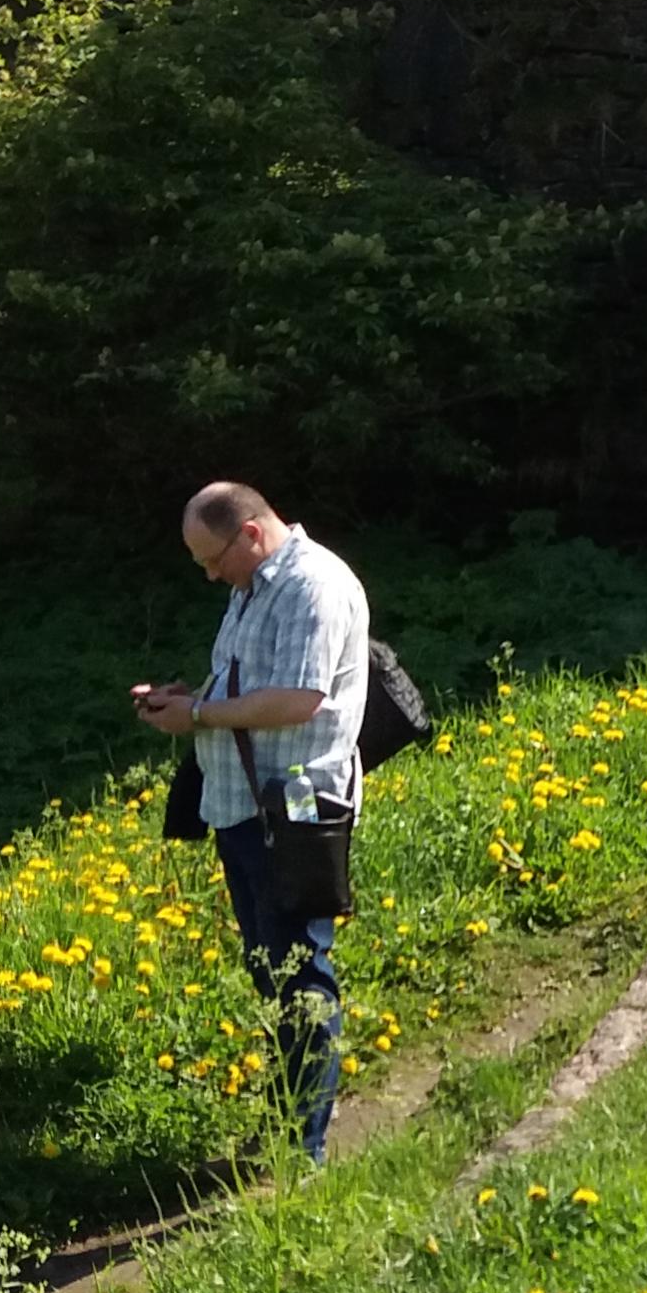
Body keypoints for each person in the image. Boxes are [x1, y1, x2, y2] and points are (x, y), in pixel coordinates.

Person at [133, 481, 371, 1166]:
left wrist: (198, 715)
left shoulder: (312, 586)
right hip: (242, 806)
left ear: (251, 533)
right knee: (271, 969)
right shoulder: (253, 586)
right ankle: (287, 1126)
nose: (210, 575)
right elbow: (250, 684)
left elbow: (298, 699)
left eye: (213, 560)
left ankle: (301, 1150)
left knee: (300, 974)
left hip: (294, 812)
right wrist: (188, 699)